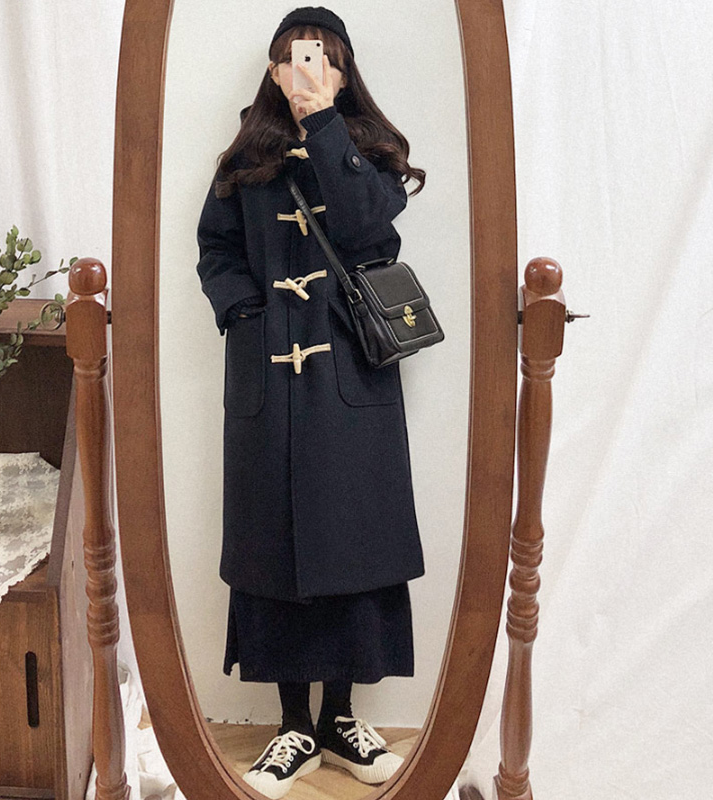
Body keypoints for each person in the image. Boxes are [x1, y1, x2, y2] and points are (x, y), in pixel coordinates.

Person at [195, 7, 427, 798]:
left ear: (343, 69)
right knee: (274, 550)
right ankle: (293, 727)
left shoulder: (369, 151)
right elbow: (216, 249)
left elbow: (367, 231)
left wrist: (325, 123)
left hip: (350, 380)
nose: (308, 68)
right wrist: (245, 315)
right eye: (295, 57)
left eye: (324, 57)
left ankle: (341, 720)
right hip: (268, 378)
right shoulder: (244, 159)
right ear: (273, 69)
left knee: (353, 542)